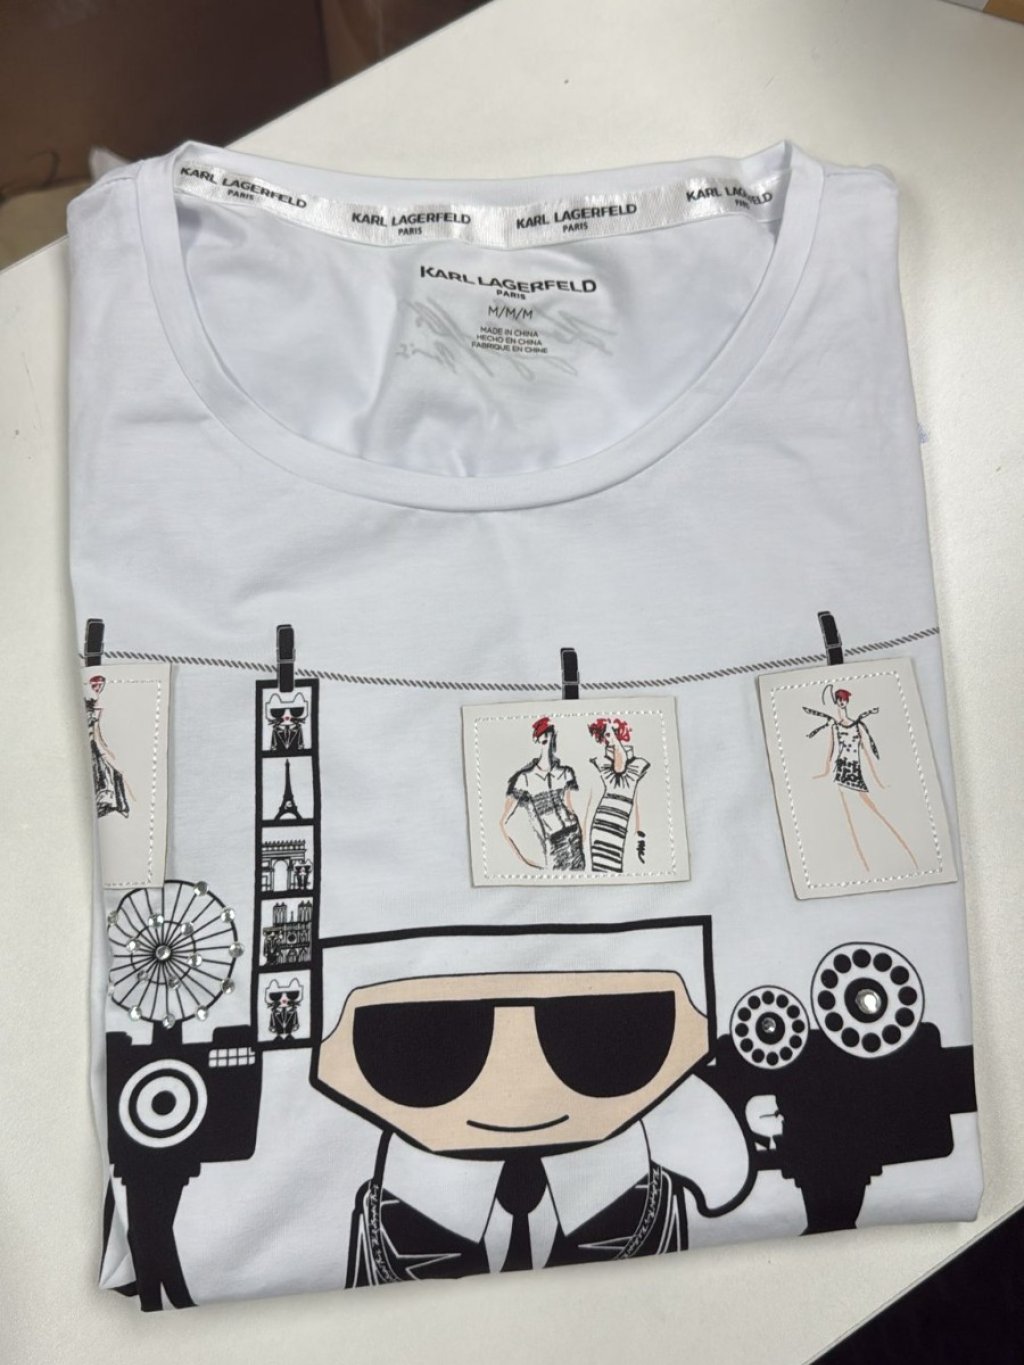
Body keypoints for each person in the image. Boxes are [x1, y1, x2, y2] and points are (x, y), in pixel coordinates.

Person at [805, 685, 918, 872]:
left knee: (870, 806)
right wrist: (825, 770)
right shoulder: (835, 726)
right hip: (842, 768)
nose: (842, 703)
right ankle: (863, 858)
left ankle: (896, 845)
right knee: (849, 812)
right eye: (839, 700)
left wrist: (877, 778)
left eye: (844, 700)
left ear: (847, 702)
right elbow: (831, 749)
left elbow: (865, 750)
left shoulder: (857, 725)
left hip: (854, 767)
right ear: (836, 702)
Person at [501, 717, 585, 870]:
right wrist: (528, 860)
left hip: (575, 836)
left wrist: (581, 834)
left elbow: (573, 808)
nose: (546, 736)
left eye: (549, 733)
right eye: (542, 734)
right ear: (536, 739)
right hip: (553, 843)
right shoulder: (525, 778)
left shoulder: (566, 773)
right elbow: (504, 822)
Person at [585, 717, 650, 873]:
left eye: (612, 732)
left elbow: (622, 765)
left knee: (613, 869)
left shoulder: (636, 764)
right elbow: (619, 768)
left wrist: (613, 738)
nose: (610, 737)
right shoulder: (604, 761)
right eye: (607, 734)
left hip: (618, 824)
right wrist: (613, 739)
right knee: (603, 869)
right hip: (604, 823)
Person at [84, 673, 131, 818]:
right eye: (96, 686)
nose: (98, 689)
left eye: (99, 686)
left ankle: (114, 803)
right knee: (102, 768)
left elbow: (97, 735)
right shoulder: (91, 708)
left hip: (95, 745)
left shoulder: (98, 708)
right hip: (90, 747)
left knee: (111, 769)